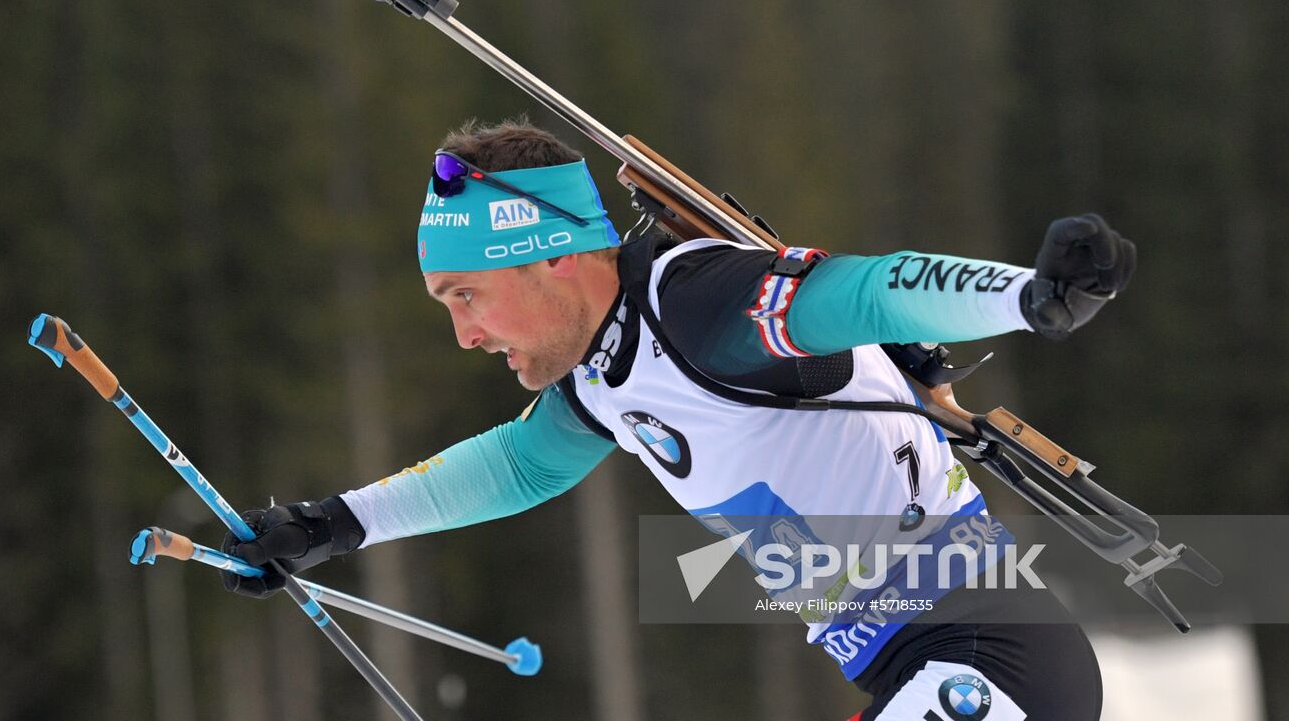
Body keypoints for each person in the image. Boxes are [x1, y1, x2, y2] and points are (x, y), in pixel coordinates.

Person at [222, 119, 1132, 719]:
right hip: (915, 668)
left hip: (988, 660)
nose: (465, 334)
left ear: (548, 260)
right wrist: (329, 525)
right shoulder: (606, 376)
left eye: (469, 295)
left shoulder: (700, 307)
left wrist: (1029, 299)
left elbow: (867, 290)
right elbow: (514, 467)